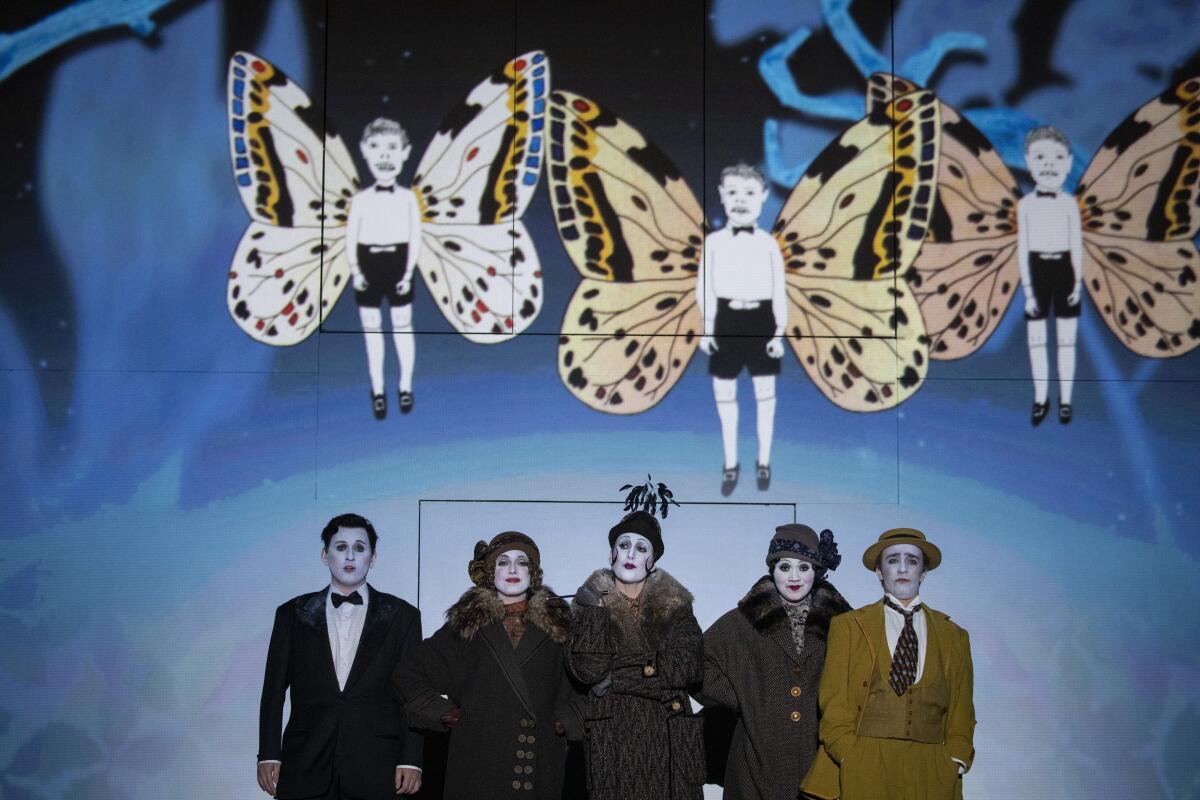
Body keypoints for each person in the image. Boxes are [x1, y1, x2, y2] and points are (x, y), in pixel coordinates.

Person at [394, 531, 584, 799]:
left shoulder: (560, 627)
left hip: (539, 764)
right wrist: (443, 712)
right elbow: (408, 674)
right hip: (477, 764)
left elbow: (589, 682)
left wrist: (565, 721)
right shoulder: (465, 626)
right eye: (503, 562)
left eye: (522, 562)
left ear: (533, 573)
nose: (513, 569)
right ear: (490, 572)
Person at [801, 528, 975, 800]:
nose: (903, 568)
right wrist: (849, 753)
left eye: (913, 561)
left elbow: (962, 707)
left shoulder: (953, 635)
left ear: (924, 572)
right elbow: (833, 700)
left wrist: (955, 758)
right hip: (866, 763)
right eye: (893, 560)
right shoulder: (849, 626)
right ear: (880, 572)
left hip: (932, 768)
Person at [257, 513, 423, 798]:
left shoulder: (403, 616)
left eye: (360, 548)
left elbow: (414, 692)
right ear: (325, 554)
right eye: (340, 546)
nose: (350, 556)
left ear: (373, 557)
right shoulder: (292, 614)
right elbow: (273, 691)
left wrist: (411, 758)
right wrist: (268, 753)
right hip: (305, 761)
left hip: (376, 764)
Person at [568, 488, 705, 800]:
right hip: (614, 745)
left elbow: (686, 668)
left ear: (652, 562)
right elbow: (588, 671)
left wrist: (616, 678)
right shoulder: (587, 609)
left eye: (642, 548)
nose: (631, 553)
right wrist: (595, 615)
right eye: (624, 545)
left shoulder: (677, 607)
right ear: (611, 554)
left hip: (671, 744)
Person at [699, 524, 850, 799]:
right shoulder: (743, 620)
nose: (794, 577)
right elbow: (694, 663)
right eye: (784, 567)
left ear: (816, 571)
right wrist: (737, 697)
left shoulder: (841, 625)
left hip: (818, 767)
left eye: (804, 567)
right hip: (753, 767)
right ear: (772, 569)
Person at [697, 163, 787, 494]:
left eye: (749, 193)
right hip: (726, 320)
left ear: (763, 196)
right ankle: (730, 464)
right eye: (732, 192)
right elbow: (704, 287)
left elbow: (779, 290)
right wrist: (707, 329)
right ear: (721, 195)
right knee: (725, 396)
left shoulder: (768, 244)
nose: (740, 200)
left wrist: (778, 333)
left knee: (765, 396)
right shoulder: (714, 243)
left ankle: (763, 462)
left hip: (762, 320)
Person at [346, 118, 424, 419]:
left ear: (405, 152)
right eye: (377, 147)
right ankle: (378, 390)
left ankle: (405, 386)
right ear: (364, 151)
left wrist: (407, 273)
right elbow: (351, 235)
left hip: (399, 263)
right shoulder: (361, 200)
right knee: (372, 332)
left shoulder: (408, 199)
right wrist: (356, 270)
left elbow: (415, 236)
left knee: (403, 328)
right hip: (367, 263)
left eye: (392, 148)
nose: (385, 156)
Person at [1017, 125, 1083, 426]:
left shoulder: (1070, 204)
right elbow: (1023, 247)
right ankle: (1041, 398)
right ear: (1028, 162)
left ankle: (1066, 401)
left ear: (1069, 162)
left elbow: (1077, 245)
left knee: (1067, 341)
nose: (1048, 164)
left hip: (1066, 270)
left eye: (1056, 157)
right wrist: (1029, 291)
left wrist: (1078, 283)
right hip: (1037, 269)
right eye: (1040, 156)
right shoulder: (1026, 205)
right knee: (1037, 340)